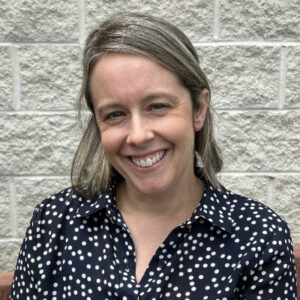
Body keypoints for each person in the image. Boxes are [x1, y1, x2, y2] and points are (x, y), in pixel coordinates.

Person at [10, 13, 298, 300]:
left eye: (157, 106)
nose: (138, 135)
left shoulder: (260, 236)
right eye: (115, 114)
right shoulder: (52, 223)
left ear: (198, 108)